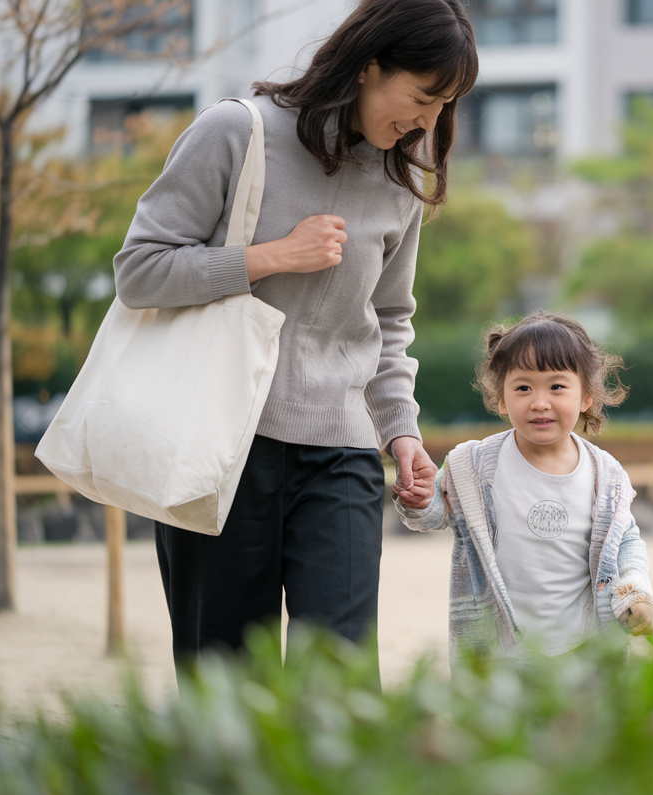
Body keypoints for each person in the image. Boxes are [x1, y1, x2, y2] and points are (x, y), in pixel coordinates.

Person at [112, 0, 476, 672]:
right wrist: (270, 256)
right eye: (423, 97)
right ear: (370, 66)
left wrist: (402, 432)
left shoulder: (397, 184)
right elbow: (139, 271)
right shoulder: (236, 132)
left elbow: (390, 320)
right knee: (225, 675)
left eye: (444, 106)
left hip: (340, 450)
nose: (428, 122)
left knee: (338, 678)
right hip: (220, 442)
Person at [396, 311, 653, 660]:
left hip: (583, 650)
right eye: (523, 388)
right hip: (500, 648)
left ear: (586, 397)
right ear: (502, 398)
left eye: (557, 386)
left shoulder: (605, 475)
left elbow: (624, 540)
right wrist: (421, 498)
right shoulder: (472, 466)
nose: (539, 402)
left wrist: (636, 592)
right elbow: (432, 515)